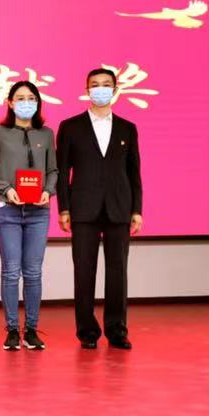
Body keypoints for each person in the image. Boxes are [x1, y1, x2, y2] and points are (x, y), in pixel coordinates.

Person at [56, 67, 143, 349]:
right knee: (84, 271)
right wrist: (64, 209)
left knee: (118, 272)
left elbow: (134, 172)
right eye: (95, 84)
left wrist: (137, 209)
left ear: (115, 90)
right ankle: (87, 332)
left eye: (106, 84)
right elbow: (62, 172)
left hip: (119, 208)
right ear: (87, 90)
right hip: (83, 209)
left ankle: (117, 330)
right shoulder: (70, 126)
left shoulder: (127, 128)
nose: (100, 89)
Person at [0, 80, 59, 350]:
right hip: (8, 210)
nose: (26, 103)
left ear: (38, 103)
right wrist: (6, 189)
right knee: (11, 272)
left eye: (31, 98)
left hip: (38, 211)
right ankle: (12, 329)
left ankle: (32, 330)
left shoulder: (46, 134)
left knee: (33, 272)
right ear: (10, 103)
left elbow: (53, 170)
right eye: (20, 98)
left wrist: (48, 190)